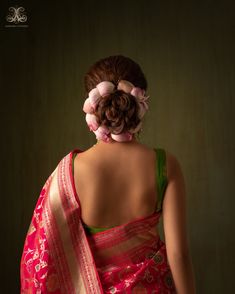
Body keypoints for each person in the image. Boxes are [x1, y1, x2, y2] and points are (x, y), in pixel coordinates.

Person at [20, 55, 196, 293]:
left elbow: (45, 254)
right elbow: (179, 254)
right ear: (140, 101)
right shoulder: (165, 165)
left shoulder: (70, 171)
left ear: (92, 106)